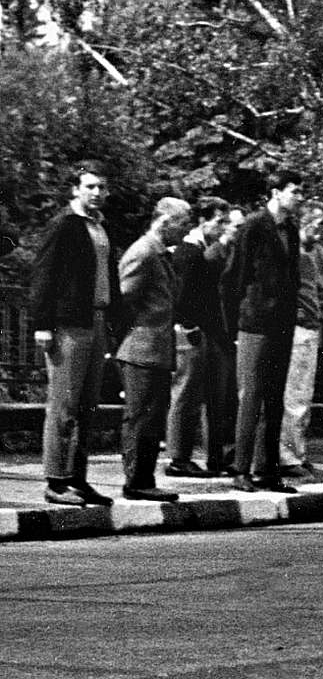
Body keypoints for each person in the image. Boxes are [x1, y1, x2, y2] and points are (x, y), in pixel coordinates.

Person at [30, 160, 121, 507]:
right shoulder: (64, 225)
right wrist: (42, 325)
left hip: (96, 321)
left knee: (88, 406)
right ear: (75, 189)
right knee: (63, 404)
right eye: (90, 187)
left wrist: (113, 323)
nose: (96, 193)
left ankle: (78, 478)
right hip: (69, 324)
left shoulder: (100, 227)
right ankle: (56, 480)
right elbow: (44, 277)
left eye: (101, 187)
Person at [224, 173, 304, 493]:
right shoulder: (255, 225)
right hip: (255, 321)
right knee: (252, 396)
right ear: (276, 192)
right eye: (294, 192)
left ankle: (268, 470)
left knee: (275, 398)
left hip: (282, 322)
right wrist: (235, 322)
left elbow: (293, 275)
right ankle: (241, 469)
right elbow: (235, 275)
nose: (299, 198)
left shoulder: (292, 231)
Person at [114, 196, 194, 502]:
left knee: (152, 417)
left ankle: (144, 478)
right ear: (164, 222)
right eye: (183, 223)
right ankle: (136, 481)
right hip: (141, 349)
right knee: (141, 417)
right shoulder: (145, 252)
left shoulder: (159, 254)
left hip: (155, 349)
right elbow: (124, 301)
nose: (186, 231)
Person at [167, 197, 236, 477]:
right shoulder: (189, 252)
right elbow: (181, 296)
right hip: (193, 334)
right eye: (219, 221)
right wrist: (188, 326)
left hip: (210, 333)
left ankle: (217, 458)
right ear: (201, 221)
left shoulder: (204, 250)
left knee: (216, 397)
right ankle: (178, 457)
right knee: (186, 395)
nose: (223, 227)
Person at [279, 201, 323, 481]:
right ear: (305, 222)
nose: (322, 233)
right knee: (295, 394)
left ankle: (297, 453)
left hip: (311, 326)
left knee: (302, 393)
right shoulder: (293, 252)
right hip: (298, 327)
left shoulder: (315, 254)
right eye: (319, 226)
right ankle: (288, 457)